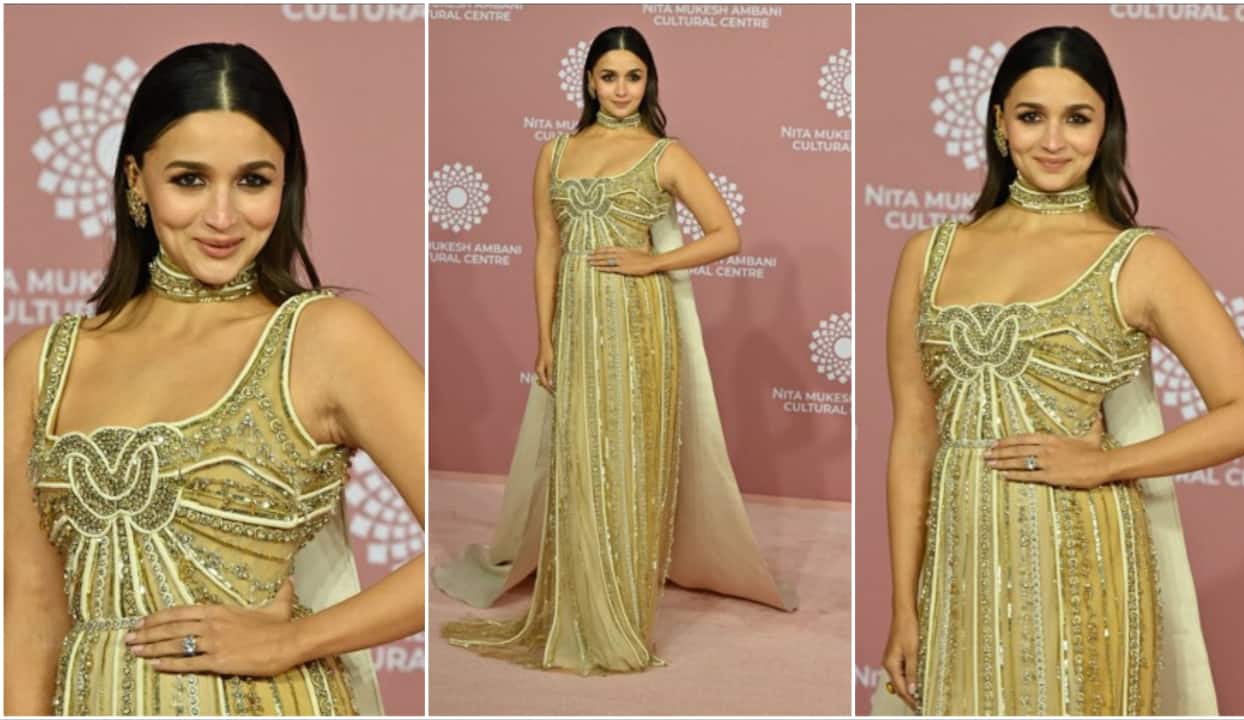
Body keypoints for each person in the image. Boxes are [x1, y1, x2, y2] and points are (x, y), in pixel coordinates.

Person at [4, 43, 424, 716]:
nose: (223, 217)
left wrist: (295, 641)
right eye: (190, 180)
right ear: (136, 178)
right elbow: (30, 607)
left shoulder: (324, 339)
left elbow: (465, 548)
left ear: (286, 184)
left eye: (253, 181)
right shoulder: (40, 363)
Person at [872, 25, 1244, 716]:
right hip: (959, 557)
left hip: (1083, 553)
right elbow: (913, 436)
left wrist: (1108, 464)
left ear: (1106, 127)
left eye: (1077, 118)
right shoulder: (927, 254)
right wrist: (903, 605)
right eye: (1032, 117)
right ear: (999, 124)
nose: (1053, 141)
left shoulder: (1139, 259)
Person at [431, 26, 794, 676]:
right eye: (609, 76)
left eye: (633, 76)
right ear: (589, 82)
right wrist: (544, 336)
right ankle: (573, 602)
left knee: (628, 461)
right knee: (577, 458)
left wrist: (655, 260)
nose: (621, 89)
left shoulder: (665, 154)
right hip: (574, 322)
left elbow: (726, 235)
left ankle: (620, 610)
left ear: (648, 82)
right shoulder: (555, 151)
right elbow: (546, 245)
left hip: (638, 323)